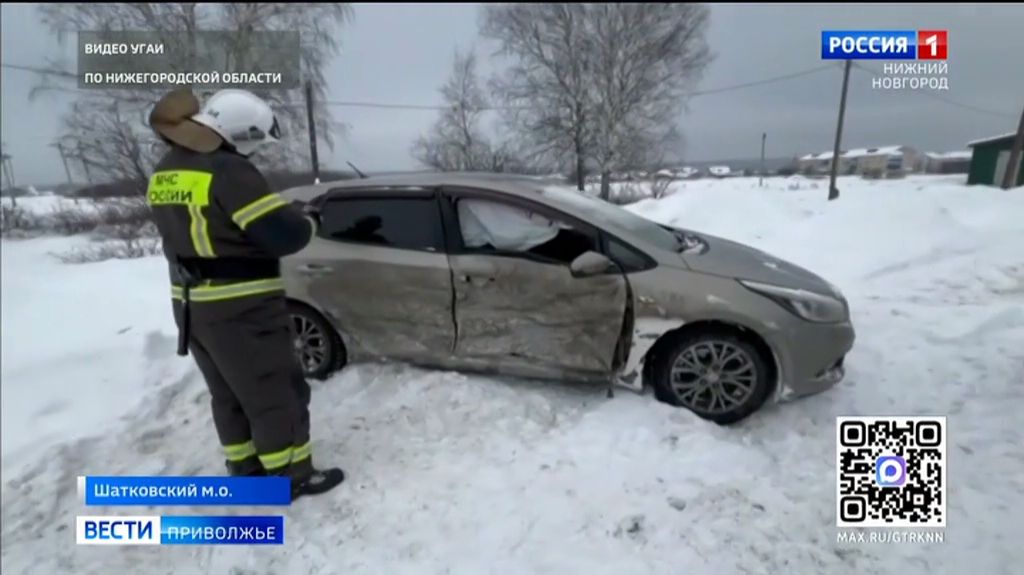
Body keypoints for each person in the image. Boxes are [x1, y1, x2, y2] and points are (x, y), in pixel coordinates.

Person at [145, 88, 344, 499]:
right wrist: (309, 219)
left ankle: (245, 469)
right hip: (240, 306)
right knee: (276, 389)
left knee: (229, 392)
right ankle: (291, 476)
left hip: (191, 306)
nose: (255, 153)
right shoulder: (228, 170)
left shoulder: (167, 169)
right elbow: (282, 235)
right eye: (256, 143)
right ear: (242, 133)